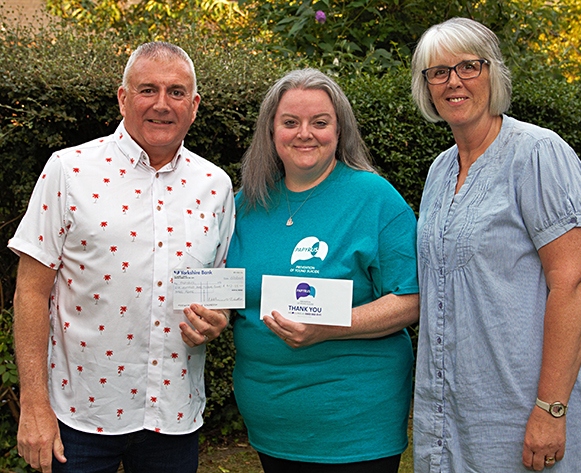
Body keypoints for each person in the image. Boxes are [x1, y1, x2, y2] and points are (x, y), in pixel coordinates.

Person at [9, 41, 235, 473]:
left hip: (173, 413)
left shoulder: (216, 185)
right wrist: (34, 405)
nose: (162, 105)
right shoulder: (69, 170)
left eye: (176, 92)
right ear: (123, 97)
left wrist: (217, 318)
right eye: (148, 89)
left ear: (195, 104)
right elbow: (31, 292)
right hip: (79, 416)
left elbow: (216, 287)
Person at [410, 17, 581, 472]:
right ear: (426, 86)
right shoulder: (439, 171)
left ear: (495, 74)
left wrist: (551, 409)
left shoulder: (538, 153)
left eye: (469, 66)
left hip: (528, 406)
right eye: (438, 71)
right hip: (460, 411)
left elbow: (575, 284)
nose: (453, 81)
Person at [227, 68, 419, 472]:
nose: (305, 134)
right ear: (271, 130)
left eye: (320, 122)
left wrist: (334, 325)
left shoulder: (375, 198)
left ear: (339, 129)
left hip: (355, 425)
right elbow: (232, 292)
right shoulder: (244, 205)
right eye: (290, 122)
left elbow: (412, 298)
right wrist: (207, 315)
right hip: (271, 421)